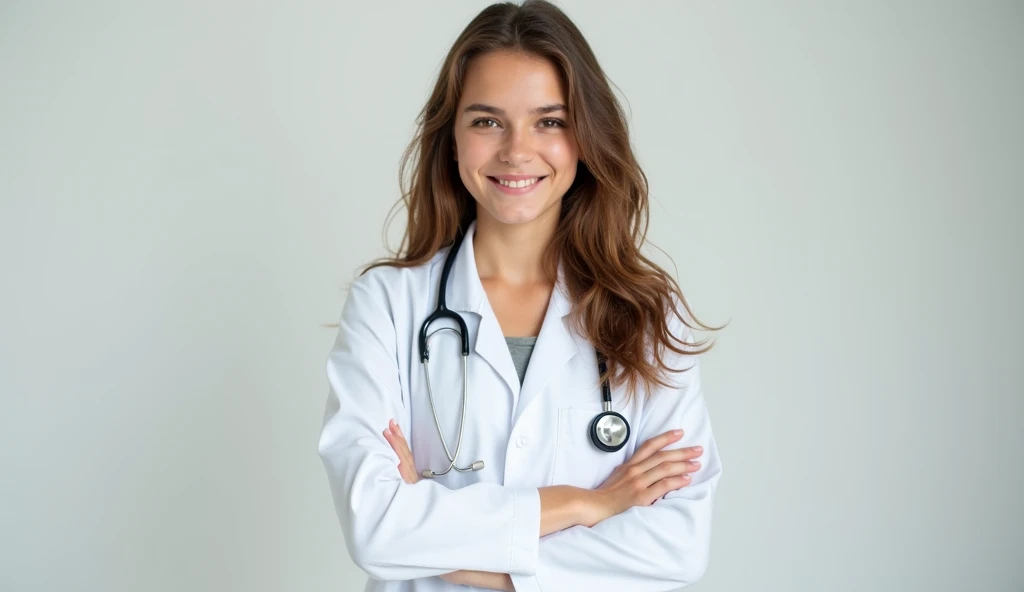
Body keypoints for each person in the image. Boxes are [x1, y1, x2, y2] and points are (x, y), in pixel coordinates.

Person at [317, 1, 725, 590]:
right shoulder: (386, 305)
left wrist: (453, 553)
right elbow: (373, 526)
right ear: (451, 138)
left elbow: (676, 548)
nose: (516, 149)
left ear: (584, 137)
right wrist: (586, 506)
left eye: (549, 121)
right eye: (486, 121)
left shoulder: (647, 316)